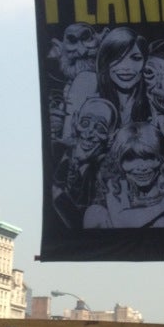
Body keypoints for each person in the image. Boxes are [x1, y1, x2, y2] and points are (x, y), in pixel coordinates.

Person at [51, 96, 118, 231]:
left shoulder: (106, 176)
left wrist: (56, 194)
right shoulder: (54, 151)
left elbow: (85, 226)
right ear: (75, 121)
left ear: (111, 137)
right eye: (85, 123)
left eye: (100, 128)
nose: (89, 133)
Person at [96, 27, 149, 127]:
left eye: (136, 58)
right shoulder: (93, 103)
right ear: (105, 62)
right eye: (117, 59)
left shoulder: (153, 106)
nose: (126, 67)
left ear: (145, 63)